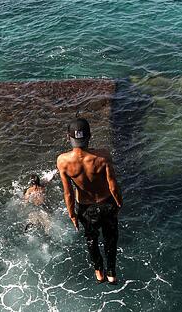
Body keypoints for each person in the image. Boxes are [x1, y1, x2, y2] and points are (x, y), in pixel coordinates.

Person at [57, 118, 123, 284]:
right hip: (107, 203)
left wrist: (72, 214)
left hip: (86, 209)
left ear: (68, 137)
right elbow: (113, 185)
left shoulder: (63, 161)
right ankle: (111, 273)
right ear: (90, 136)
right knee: (110, 238)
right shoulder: (103, 156)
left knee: (91, 239)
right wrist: (119, 203)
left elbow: (68, 193)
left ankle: (98, 271)